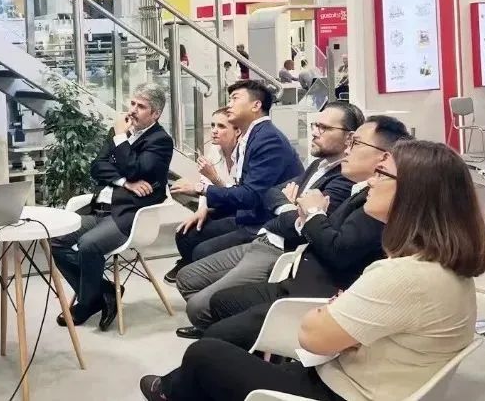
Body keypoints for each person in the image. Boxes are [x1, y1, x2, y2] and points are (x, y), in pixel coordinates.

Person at [140, 139, 485, 401]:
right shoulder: (445, 269)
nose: (371, 181)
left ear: (415, 194)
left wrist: (331, 311)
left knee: (205, 354)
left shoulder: (402, 275)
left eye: (382, 173)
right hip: (360, 376)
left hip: (344, 390)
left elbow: (314, 336)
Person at [196, 116, 411, 351]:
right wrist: (307, 214)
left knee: (209, 336)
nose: (347, 150)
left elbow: (334, 246)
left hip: (310, 294)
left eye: (355, 143)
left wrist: (312, 213)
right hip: (293, 271)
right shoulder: (340, 178)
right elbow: (274, 195)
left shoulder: (376, 204)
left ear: (384, 158)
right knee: (218, 298)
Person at [174, 102, 363, 338]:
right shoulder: (319, 163)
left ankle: (220, 333)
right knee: (186, 276)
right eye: (315, 125)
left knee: (199, 305)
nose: (314, 132)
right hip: (265, 235)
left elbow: (303, 228)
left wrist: (290, 208)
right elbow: (272, 193)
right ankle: (216, 326)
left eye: (324, 128)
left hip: (279, 247)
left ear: (349, 138)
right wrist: (291, 207)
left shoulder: (344, 178)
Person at [51, 83, 173, 331]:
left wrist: (120, 140)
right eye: (133, 103)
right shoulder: (119, 131)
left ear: (156, 114)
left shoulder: (160, 140)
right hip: (99, 210)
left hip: (127, 215)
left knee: (88, 245)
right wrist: (124, 181)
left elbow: (136, 169)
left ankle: (87, 303)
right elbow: (97, 167)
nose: (133, 110)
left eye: (141, 106)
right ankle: (103, 291)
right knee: (56, 240)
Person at [164, 80, 304, 284]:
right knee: (188, 235)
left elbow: (251, 196)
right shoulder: (251, 136)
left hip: (263, 220)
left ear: (256, 105)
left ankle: (205, 285)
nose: (229, 105)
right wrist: (204, 202)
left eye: (235, 99)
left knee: (202, 251)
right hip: (248, 212)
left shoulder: (268, 139)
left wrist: (201, 189)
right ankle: (195, 274)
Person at [195, 108, 240, 192]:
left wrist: (214, 178)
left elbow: (240, 195)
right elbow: (205, 186)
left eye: (221, 126)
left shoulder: (245, 153)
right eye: (213, 125)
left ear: (237, 131)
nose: (214, 131)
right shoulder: (214, 150)